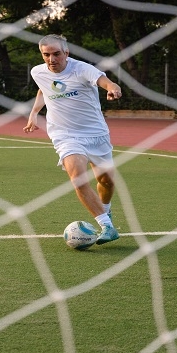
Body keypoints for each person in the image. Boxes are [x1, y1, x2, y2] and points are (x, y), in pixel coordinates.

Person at [23, 34, 122, 245]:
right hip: (64, 134)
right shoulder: (37, 71)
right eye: (46, 55)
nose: (51, 59)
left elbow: (103, 80)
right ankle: (106, 225)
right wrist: (34, 113)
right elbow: (44, 89)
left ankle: (106, 211)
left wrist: (113, 88)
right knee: (78, 177)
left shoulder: (82, 69)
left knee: (106, 181)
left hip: (96, 134)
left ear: (66, 53)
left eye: (56, 54)